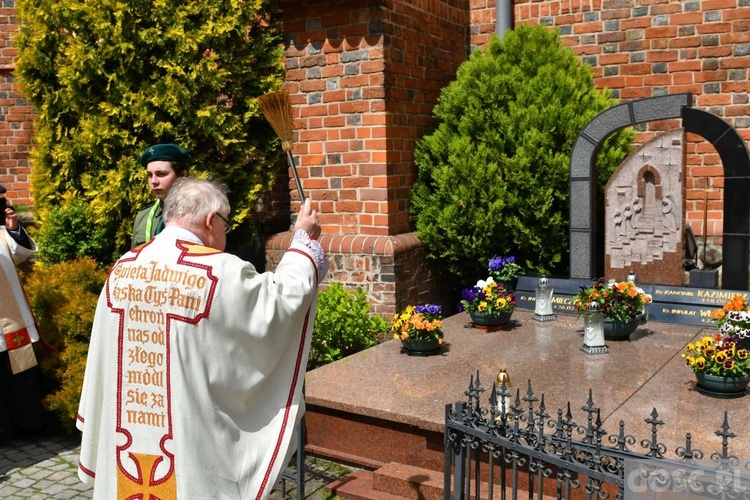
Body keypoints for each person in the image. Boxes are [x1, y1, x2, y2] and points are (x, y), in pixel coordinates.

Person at [77, 178, 328, 499]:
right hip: (189, 440)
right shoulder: (219, 271)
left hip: (127, 435)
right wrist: (303, 242)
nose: (226, 234)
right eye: (226, 224)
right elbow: (282, 302)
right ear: (212, 221)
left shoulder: (124, 267)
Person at [0, 186, 46, 443]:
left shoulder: (1, 232)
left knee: (18, 371)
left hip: (10, 318)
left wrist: (13, 228)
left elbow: (21, 254)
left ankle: (27, 425)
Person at [131, 143, 191, 248]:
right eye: (150, 175)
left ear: (182, 174)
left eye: (161, 174)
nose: (153, 181)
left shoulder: (199, 214)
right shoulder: (143, 218)